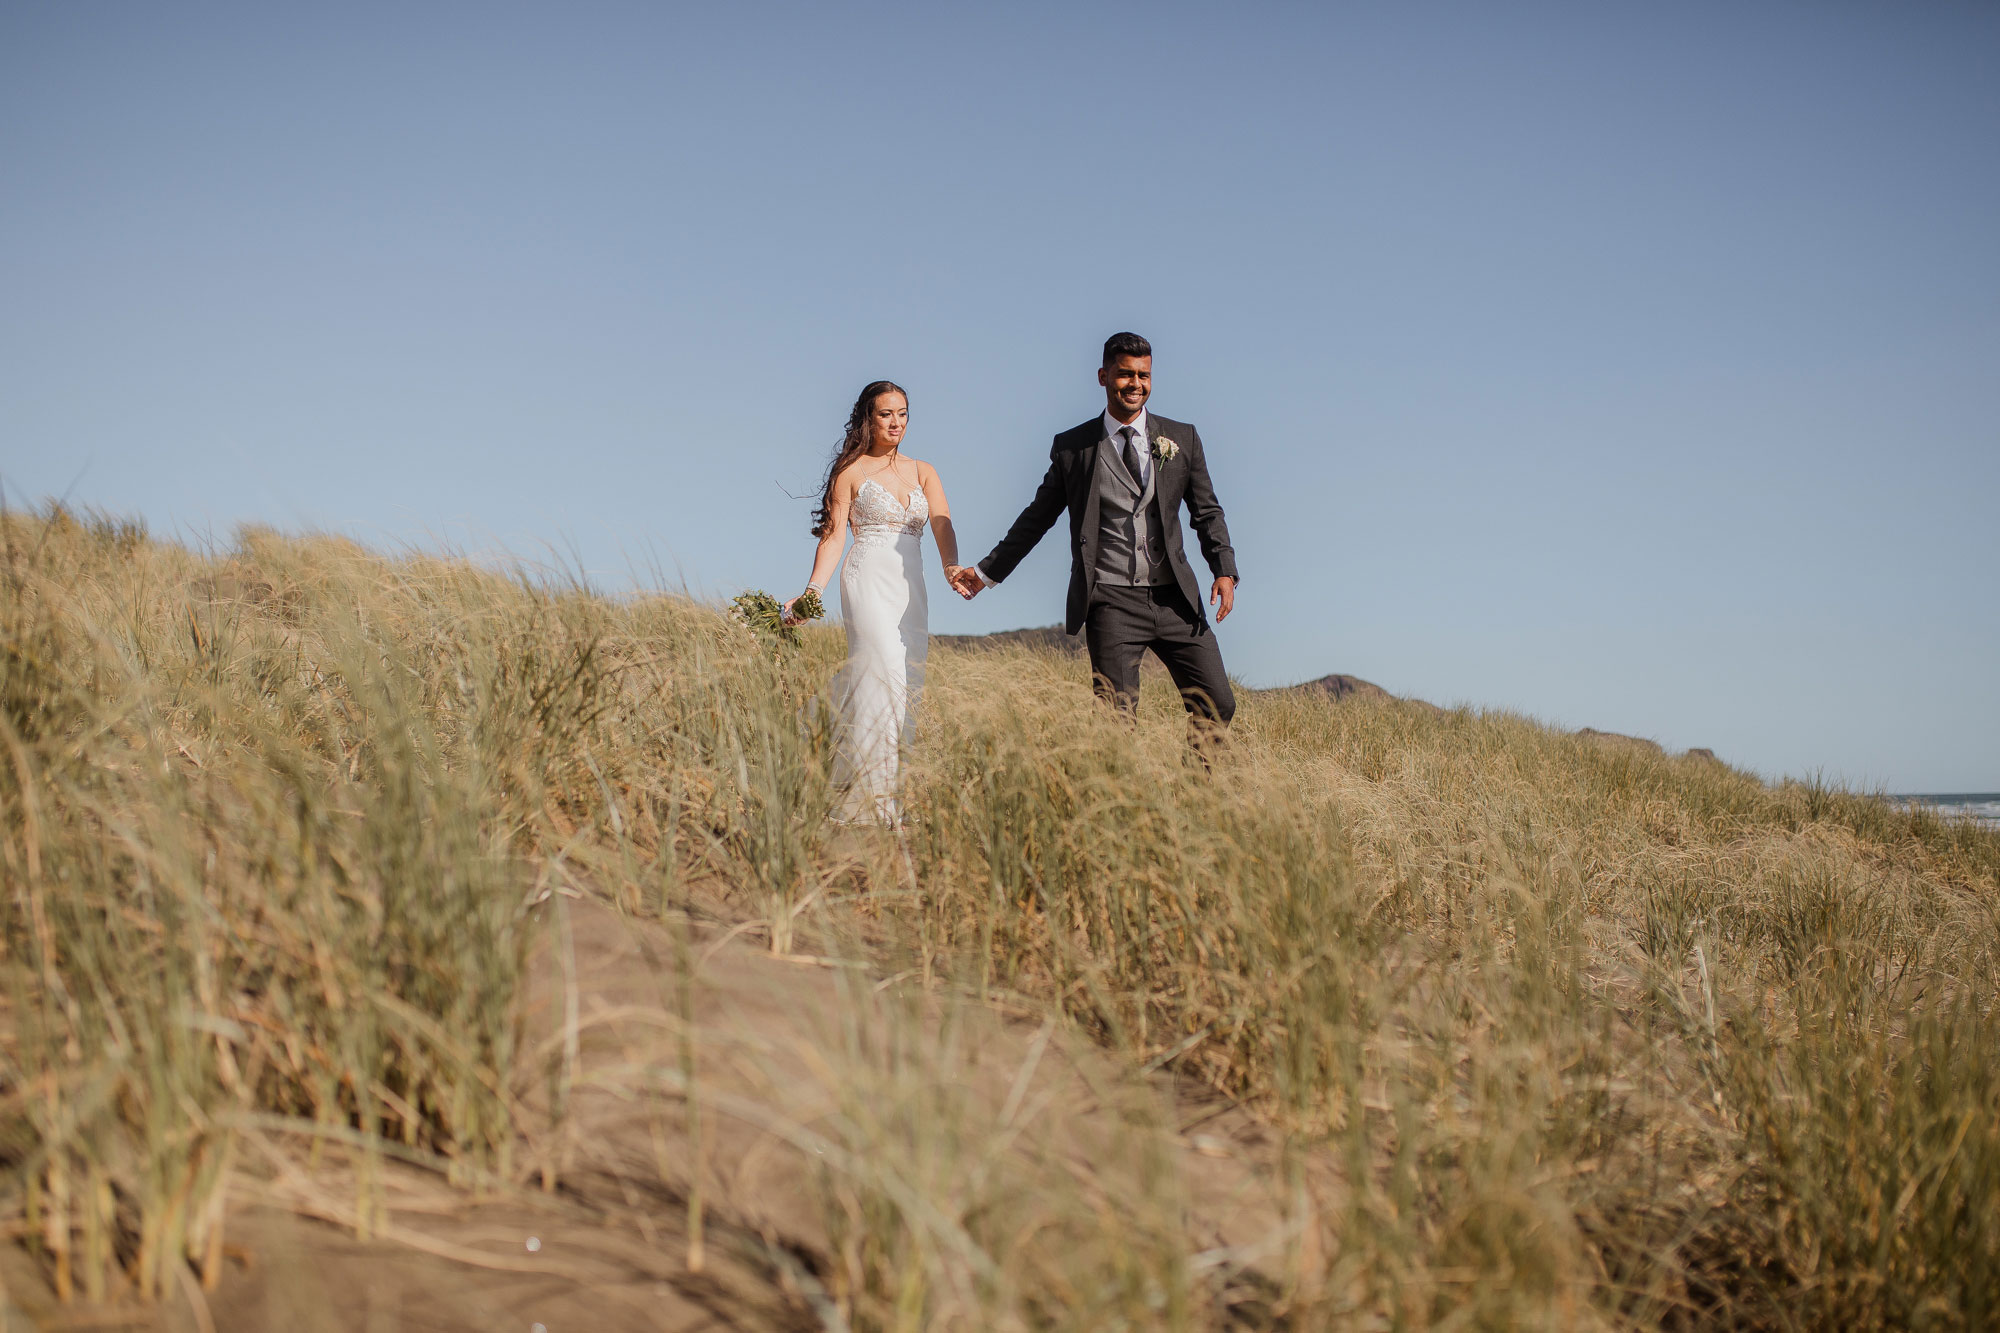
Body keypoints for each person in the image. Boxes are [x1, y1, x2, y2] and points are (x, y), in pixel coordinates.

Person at [951, 333, 1239, 747]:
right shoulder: (1074, 449)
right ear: (1104, 376)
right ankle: (1113, 807)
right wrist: (986, 571)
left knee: (1217, 703)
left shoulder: (1183, 438)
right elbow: (1037, 518)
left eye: (1144, 375)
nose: (1135, 383)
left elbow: (1206, 511)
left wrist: (1224, 570)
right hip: (1111, 600)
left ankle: (1193, 795)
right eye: (1125, 374)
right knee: (1115, 721)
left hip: (1176, 597)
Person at [786, 381, 968, 824]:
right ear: (868, 418)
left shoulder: (924, 470)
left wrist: (952, 567)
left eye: (903, 413)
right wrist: (812, 594)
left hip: (911, 588)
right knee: (879, 665)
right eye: (886, 414)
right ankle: (865, 804)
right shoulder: (850, 473)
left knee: (903, 681)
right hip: (865, 577)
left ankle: (871, 784)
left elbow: (943, 524)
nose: (896, 422)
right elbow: (832, 538)